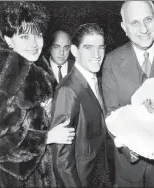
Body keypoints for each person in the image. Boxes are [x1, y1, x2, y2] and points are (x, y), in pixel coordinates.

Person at [102, 1, 154, 187]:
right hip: (134, 168)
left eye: (148, 19)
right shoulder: (112, 61)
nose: (143, 29)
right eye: (134, 23)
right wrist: (127, 147)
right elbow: (112, 113)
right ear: (125, 28)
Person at [0, 2, 75, 187]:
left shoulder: (32, 67)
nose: (34, 43)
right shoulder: (9, 75)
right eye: (24, 36)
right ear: (8, 39)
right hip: (13, 179)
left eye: (38, 34)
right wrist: (48, 138)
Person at [50, 23, 110, 187]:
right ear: (75, 51)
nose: (97, 54)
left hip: (99, 177)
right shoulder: (68, 89)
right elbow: (61, 159)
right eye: (89, 48)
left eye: (101, 47)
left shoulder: (95, 80)